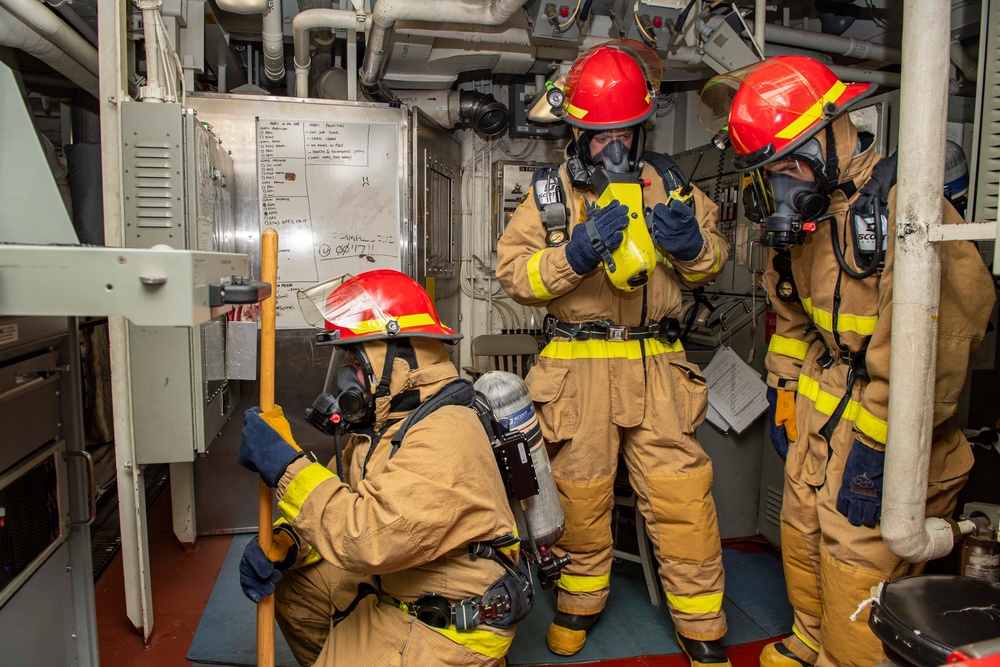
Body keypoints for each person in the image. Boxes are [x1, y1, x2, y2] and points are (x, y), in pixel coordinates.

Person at [698, 55, 996, 667]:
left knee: (860, 564)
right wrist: (785, 395)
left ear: (833, 132)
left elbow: (939, 347)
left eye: (788, 162)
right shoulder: (815, 217)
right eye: (768, 169)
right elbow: (794, 320)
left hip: (890, 418)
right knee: (803, 535)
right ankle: (811, 639)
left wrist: (885, 446)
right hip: (821, 403)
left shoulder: (908, 209)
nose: (780, 181)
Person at [496, 39, 732, 667]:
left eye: (625, 132)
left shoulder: (670, 184)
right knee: (580, 494)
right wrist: (571, 257)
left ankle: (702, 625)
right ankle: (578, 603)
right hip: (579, 372)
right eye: (599, 136)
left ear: (642, 125)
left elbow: (712, 259)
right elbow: (514, 275)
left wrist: (689, 248)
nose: (614, 147)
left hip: (657, 367)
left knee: (682, 497)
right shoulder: (551, 195)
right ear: (576, 133)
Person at [236, 269, 528, 667]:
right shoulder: (384, 426)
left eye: (355, 363)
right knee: (299, 584)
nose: (345, 380)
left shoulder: (446, 433)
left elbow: (362, 537)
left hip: (449, 625)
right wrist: (286, 545)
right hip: (401, 582)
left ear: (400, 359)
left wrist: (286, 464)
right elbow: (336, 504)